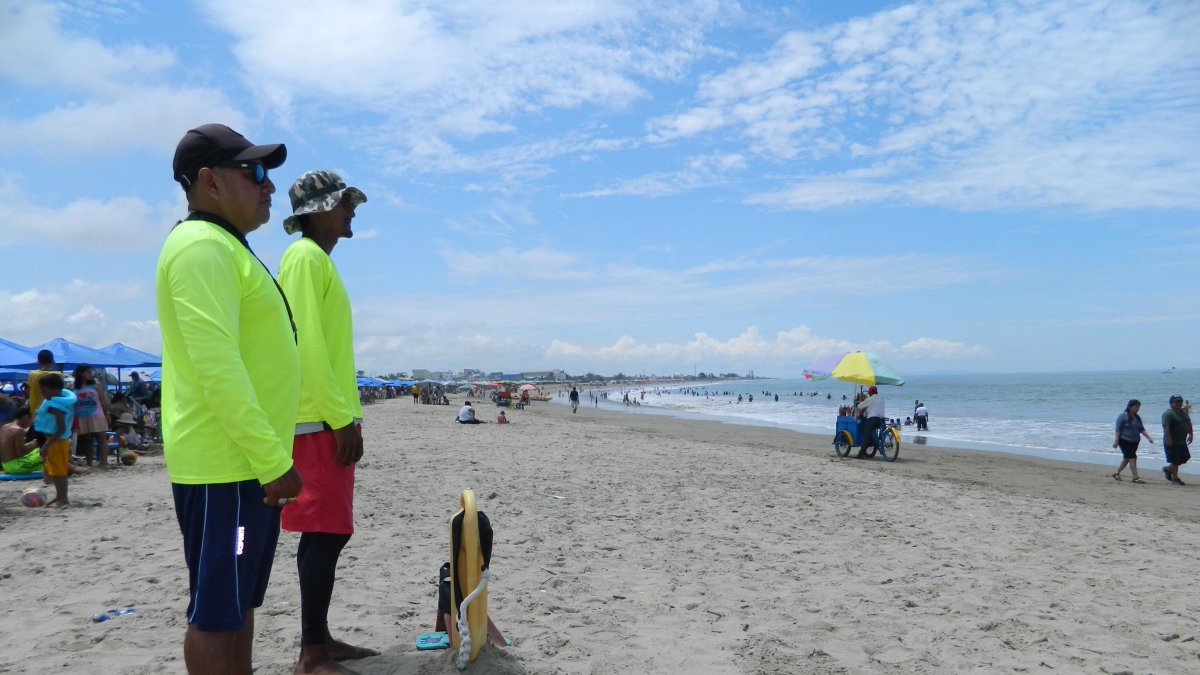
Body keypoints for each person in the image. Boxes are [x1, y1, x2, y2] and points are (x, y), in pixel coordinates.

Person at [158, 123, 302, 673]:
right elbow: (216, 366)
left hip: (245, 466)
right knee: (218, 612)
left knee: (238, 604)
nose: (269, 186)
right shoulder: (201, 248)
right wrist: (271, 460)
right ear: (209, 182)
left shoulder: (224, 247)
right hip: (227, 469)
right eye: (255, 172)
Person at [278, 169, 378, 673]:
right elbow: (306, 345)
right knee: (324, 530)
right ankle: (311, 651)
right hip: (315, 420)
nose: (351, 210)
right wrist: (340, 418)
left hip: (325, 416)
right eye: (343, 203)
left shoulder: (316, 260)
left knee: (329, 530)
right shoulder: (303, 257)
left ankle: (319, 639)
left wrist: (345, 414)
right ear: (317, 210)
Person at [34, 373, 76, 507]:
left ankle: (63, 498)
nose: (42, 393)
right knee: (57, 471)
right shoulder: (58, 401)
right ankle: (60, 496)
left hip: (56, 442)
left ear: (56, 390)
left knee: (59, 472)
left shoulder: (55, 406)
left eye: (44, 390)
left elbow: (61, 427)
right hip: (57, 441)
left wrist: (47, 444)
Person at [73, 364, 111, 467]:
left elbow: (103, 401)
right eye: (88, 372)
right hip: (82, 417)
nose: (91, 374)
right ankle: (89, 464)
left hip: (97, 415)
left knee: (101, 439)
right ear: (81, 373)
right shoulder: (74, 387)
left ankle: (104, 463)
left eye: (91, 372)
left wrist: (107, 413)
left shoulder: (96, 385)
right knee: (87, 442)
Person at [1112, 399, 1153, 483]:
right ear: (1130, 407)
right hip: (1124, 440)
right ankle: (1135, 477)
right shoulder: (1123, 416)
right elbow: (1118, 429)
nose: (1137, 408)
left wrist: (1148, 437)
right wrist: (1116, 441)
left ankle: (1116, 473)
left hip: (1134, 441)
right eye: (1136, 407)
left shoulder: (1137, 417)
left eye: (1139, 407)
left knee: (1127, 459)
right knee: (1133, 458)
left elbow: (1141, 429)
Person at [24, 349, 58, 440]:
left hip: (37, 415)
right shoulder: (59, 375)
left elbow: (28, 392)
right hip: (55, 415)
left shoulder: (32, 375)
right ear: (53, 362)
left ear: (38, 362)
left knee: (38, 445)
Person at [1161, 395, 1193, 486]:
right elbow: (1165, 427)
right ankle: (1175, 478)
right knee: (1175, 461)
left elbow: (1188, 423)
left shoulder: (1183, 412)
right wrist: (1168, 438)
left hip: (1182, 440)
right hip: (1172, 441)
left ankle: (1167, 469)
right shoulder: (1168, 414)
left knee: (1185, 457)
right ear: (1171, 403)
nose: (1179, 403)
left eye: (1180, 401)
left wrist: (1191, 434)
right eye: (1176, 401)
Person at [1, 406, 42, 474]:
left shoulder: (5, 427)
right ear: (26, 417)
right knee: (48, 453)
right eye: (31, 419)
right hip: (16, 466)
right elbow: (21, 453)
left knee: (39, 450)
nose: (31, 423)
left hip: (5, 465)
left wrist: (32, 444)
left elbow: (13, 449)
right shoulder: (19, 430)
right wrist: (34, 444)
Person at [854, 385, 885, 459]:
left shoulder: (870, 399)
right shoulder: (881, 398)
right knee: (872, 432)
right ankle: (875, 443)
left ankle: (860, 454)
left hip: (872, 419)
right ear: (876, 392)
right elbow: (873, 408)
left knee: (866, 435)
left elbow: (859, 406)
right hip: (881, 419)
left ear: (870, 393)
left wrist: (861, 403)